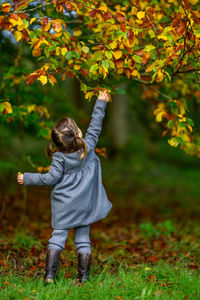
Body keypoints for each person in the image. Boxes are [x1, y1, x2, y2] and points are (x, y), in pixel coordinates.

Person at [17, 90, 112, 284]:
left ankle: (49, 276)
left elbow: (49, 179)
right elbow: (95, 126)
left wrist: (26, 178)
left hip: (64, 206)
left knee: (57, 237)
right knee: (83, 239)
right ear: (78, 134)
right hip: (84, 205)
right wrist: (100, 103)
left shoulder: (59, 157)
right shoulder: (89, 147)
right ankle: (83, 278)